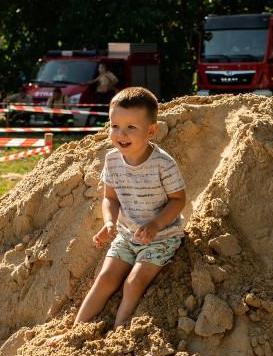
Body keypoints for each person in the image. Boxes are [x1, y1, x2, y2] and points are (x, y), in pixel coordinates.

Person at [47, 87, 185, 342]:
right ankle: (75, 333)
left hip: (162, 237)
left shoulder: (163, 164)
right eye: (115, 126)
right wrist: (109, 223)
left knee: (133, 283)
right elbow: (110, 198)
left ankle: (117, 335)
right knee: (105, 279)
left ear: (151, 131)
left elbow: (179, 200)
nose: (121, 134)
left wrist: (155, 224)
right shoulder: (112, 160)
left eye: (131, 127)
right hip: (126, 234)